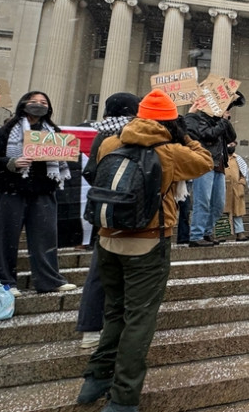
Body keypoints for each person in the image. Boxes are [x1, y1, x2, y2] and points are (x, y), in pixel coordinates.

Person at [76, 89, 212, 412]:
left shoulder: (110, 143)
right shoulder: (171, 152)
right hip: (149, 242)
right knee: (139, 320)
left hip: (108, 240)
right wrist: (185, 135)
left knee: (114, 312)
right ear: (170, 120)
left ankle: (95, 378)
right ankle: (123, 398)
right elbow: (205, 161)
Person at [0, 91, 77, 296]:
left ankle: (49, 280)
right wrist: (11, 163)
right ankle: (3, 281)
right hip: (11, 189)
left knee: (45, 238)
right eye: (34, 101)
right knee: (4, 237)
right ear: (23, 104)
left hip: (42, 191)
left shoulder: (54, 132)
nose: (39, 105)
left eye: (43, 102)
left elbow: (63, 159)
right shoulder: (8, 129)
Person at [77, 91, 140, 350]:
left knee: (101, 271)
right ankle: (120, 325)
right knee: (131, 272)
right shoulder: (136, 136)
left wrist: (108, 192)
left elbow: (90, 172)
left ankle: (92, 327)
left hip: (107, 212)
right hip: (133, 213)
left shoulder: (101, 136)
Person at [184, 94, 238, 247]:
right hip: (205, 164)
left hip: (219, 165)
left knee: (218, 203)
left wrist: (225, 120)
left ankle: (207, 232)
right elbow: (208, 134)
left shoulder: (219, 120)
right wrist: (222, 121)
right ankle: (196, 235)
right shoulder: (201, 118)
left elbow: (231, 137)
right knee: (203, 201)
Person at [224, 142, 249, 241]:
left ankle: (240, 233)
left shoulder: (238, 159)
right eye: (229, 144)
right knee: (223, 211)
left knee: (238, 211)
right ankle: (222, 234)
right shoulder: (221, 157)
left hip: (236, 188)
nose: (231, 146)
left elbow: (244, 173)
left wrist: (242, 183)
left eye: (233, 144)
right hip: (224, 188)